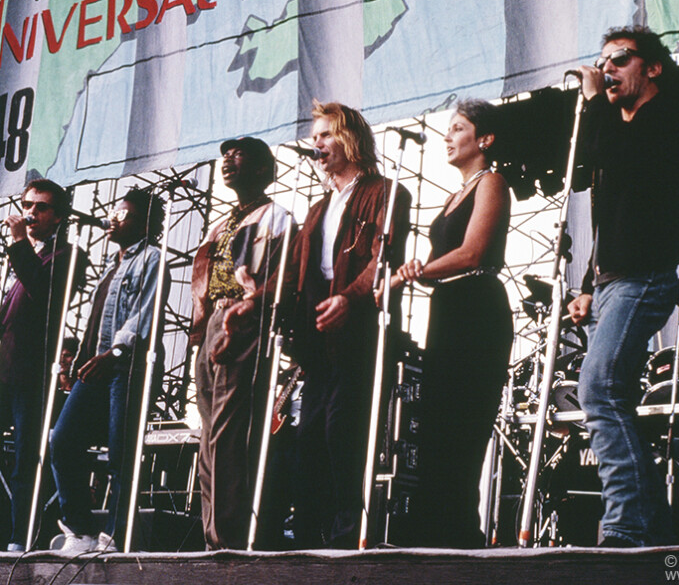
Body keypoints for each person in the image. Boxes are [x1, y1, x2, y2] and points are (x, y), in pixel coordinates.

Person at [223, 101, 411, 548]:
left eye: (326, 135)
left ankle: (349, 539)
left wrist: (351, 298)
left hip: (362, 334)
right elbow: (294, 274)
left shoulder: (386, 192)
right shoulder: (318, 207)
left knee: (344, 433)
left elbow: (384, 261)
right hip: (318, 339)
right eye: (315, 136)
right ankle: (310, 539)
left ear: (350, 140)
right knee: (309, 440)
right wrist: (257, 299)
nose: (317, 143)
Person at [567, 26, 679, 547]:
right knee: (611, 394)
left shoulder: (667, 119)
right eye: (602, 60)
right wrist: (585, 283)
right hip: (610, 282)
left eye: (620, 58)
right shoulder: (616, 129)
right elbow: (609, 221)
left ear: (652, 68)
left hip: (645, 276)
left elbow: (628, 161)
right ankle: (655, 529)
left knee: (598, 388)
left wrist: (592, 101)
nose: (607, 68)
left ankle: (625, 526)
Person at [384, 99, 513, 548]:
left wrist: (415, 272)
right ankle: (435, 528)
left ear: (484, 139)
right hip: (448, 308)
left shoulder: (491, 182)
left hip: (478, 307)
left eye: (458, 128)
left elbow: (473, 252)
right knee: (437, 420)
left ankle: (460, 534)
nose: (447, 136)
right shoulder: (450, 196)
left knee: (465, 421)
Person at [50, 188, 169, 553]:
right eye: (115, 212)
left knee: (121, 454)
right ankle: (81, 531)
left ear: (147, 224)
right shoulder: (111, 266)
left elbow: (143, 317)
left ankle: (115, 536)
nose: (114, 218)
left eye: (126, 214)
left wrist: (113, 352)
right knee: (62, 440)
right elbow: (94, 324)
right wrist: (82, 360)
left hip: (127, 366)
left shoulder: (152, 259)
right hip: (98, 365)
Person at [191, 136, 291, 550]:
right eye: (225, 156)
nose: (228, 162)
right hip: (213, 320)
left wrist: (249, 305)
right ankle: (212, 534)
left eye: (239, 156)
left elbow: (281, 278)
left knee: (230, 432)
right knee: (209, 430)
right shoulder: (223, 221)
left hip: (246, 321)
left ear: (264, 170)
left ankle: (230, 535)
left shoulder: (276, 216)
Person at [0, 179, 87, 552]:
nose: (31, 213)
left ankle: (22, 538)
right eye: (27, 205)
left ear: (59, 217)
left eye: (41, 207)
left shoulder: (69, 256)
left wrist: (19, 244)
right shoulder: (25, 256)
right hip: (4, 369)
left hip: (32, 372)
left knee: (26, 459)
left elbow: (43, 293)